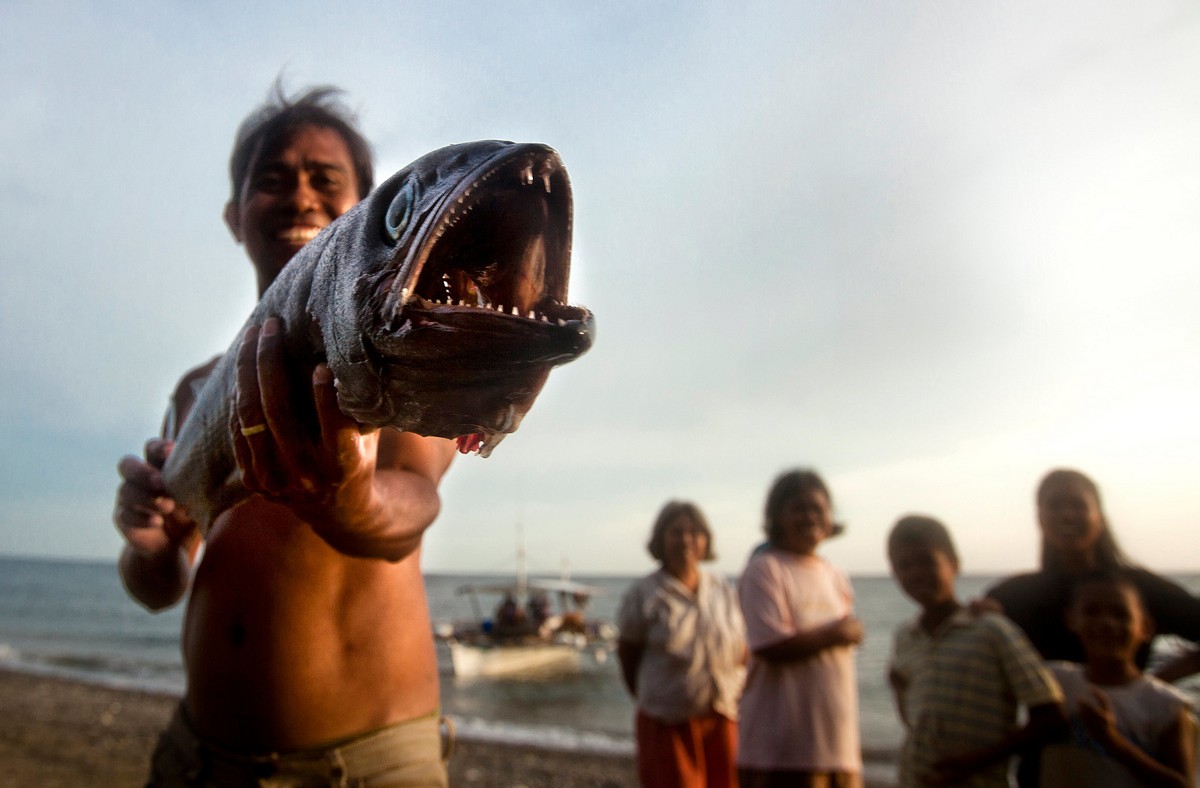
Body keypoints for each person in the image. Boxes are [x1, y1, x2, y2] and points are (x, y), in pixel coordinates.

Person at [112, 84, 457, 786]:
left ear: (366, 206)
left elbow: (416, 497)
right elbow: (161, 584)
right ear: (235, 216)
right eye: (272, 179)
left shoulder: (397, 346)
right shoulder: (195, 389)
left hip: (362, 766)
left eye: (325, 180)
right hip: (195, 756)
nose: (300, 196)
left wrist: (353, 501)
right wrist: (148, 548)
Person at [887, 515, 1064, 787]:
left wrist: (976, 761)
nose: (916, 573)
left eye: (926, 561)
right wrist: (898, 689)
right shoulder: (905, 637)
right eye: (904, 566)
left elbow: (1051, 716)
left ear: (954, 564)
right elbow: (917, 719)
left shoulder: (991, 630)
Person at [986, 469, 1200, 675]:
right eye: (1054, 506)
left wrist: (1152, 688)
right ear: (1039, 518)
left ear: (1100, 518)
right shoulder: (1014, 596)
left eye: (1078, 505)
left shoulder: (1137, 588)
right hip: (1049, 713)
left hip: (1133, 714)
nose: (1067, 515)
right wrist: (978, 617)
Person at [736, 469, 864, 788]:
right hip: (780, 752)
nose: (809, 517)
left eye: (817, 509)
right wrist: (838, 634)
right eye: (798, 509)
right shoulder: (765, 570)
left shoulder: (836, 575)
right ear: (777, 518)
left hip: (840, 748)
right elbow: (770, 646)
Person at [617, 500, 747, 788]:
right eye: (676, 532)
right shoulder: (644, 593)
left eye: (694, 532)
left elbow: (741, 649)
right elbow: (628, 656)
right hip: (667, 721)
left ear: (706, 540)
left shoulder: (722, 589)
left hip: (722, 715)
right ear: (661, 538)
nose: (686, 539)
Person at [1039, 571, 1196, 788]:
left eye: (1121, 614)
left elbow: (1182, 784)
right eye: (1091, 612)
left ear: (1145, 628)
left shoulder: (1164, 705)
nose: (1106, 623)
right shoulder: (1054, 681)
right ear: (1071, 620)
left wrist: (1113, 742)